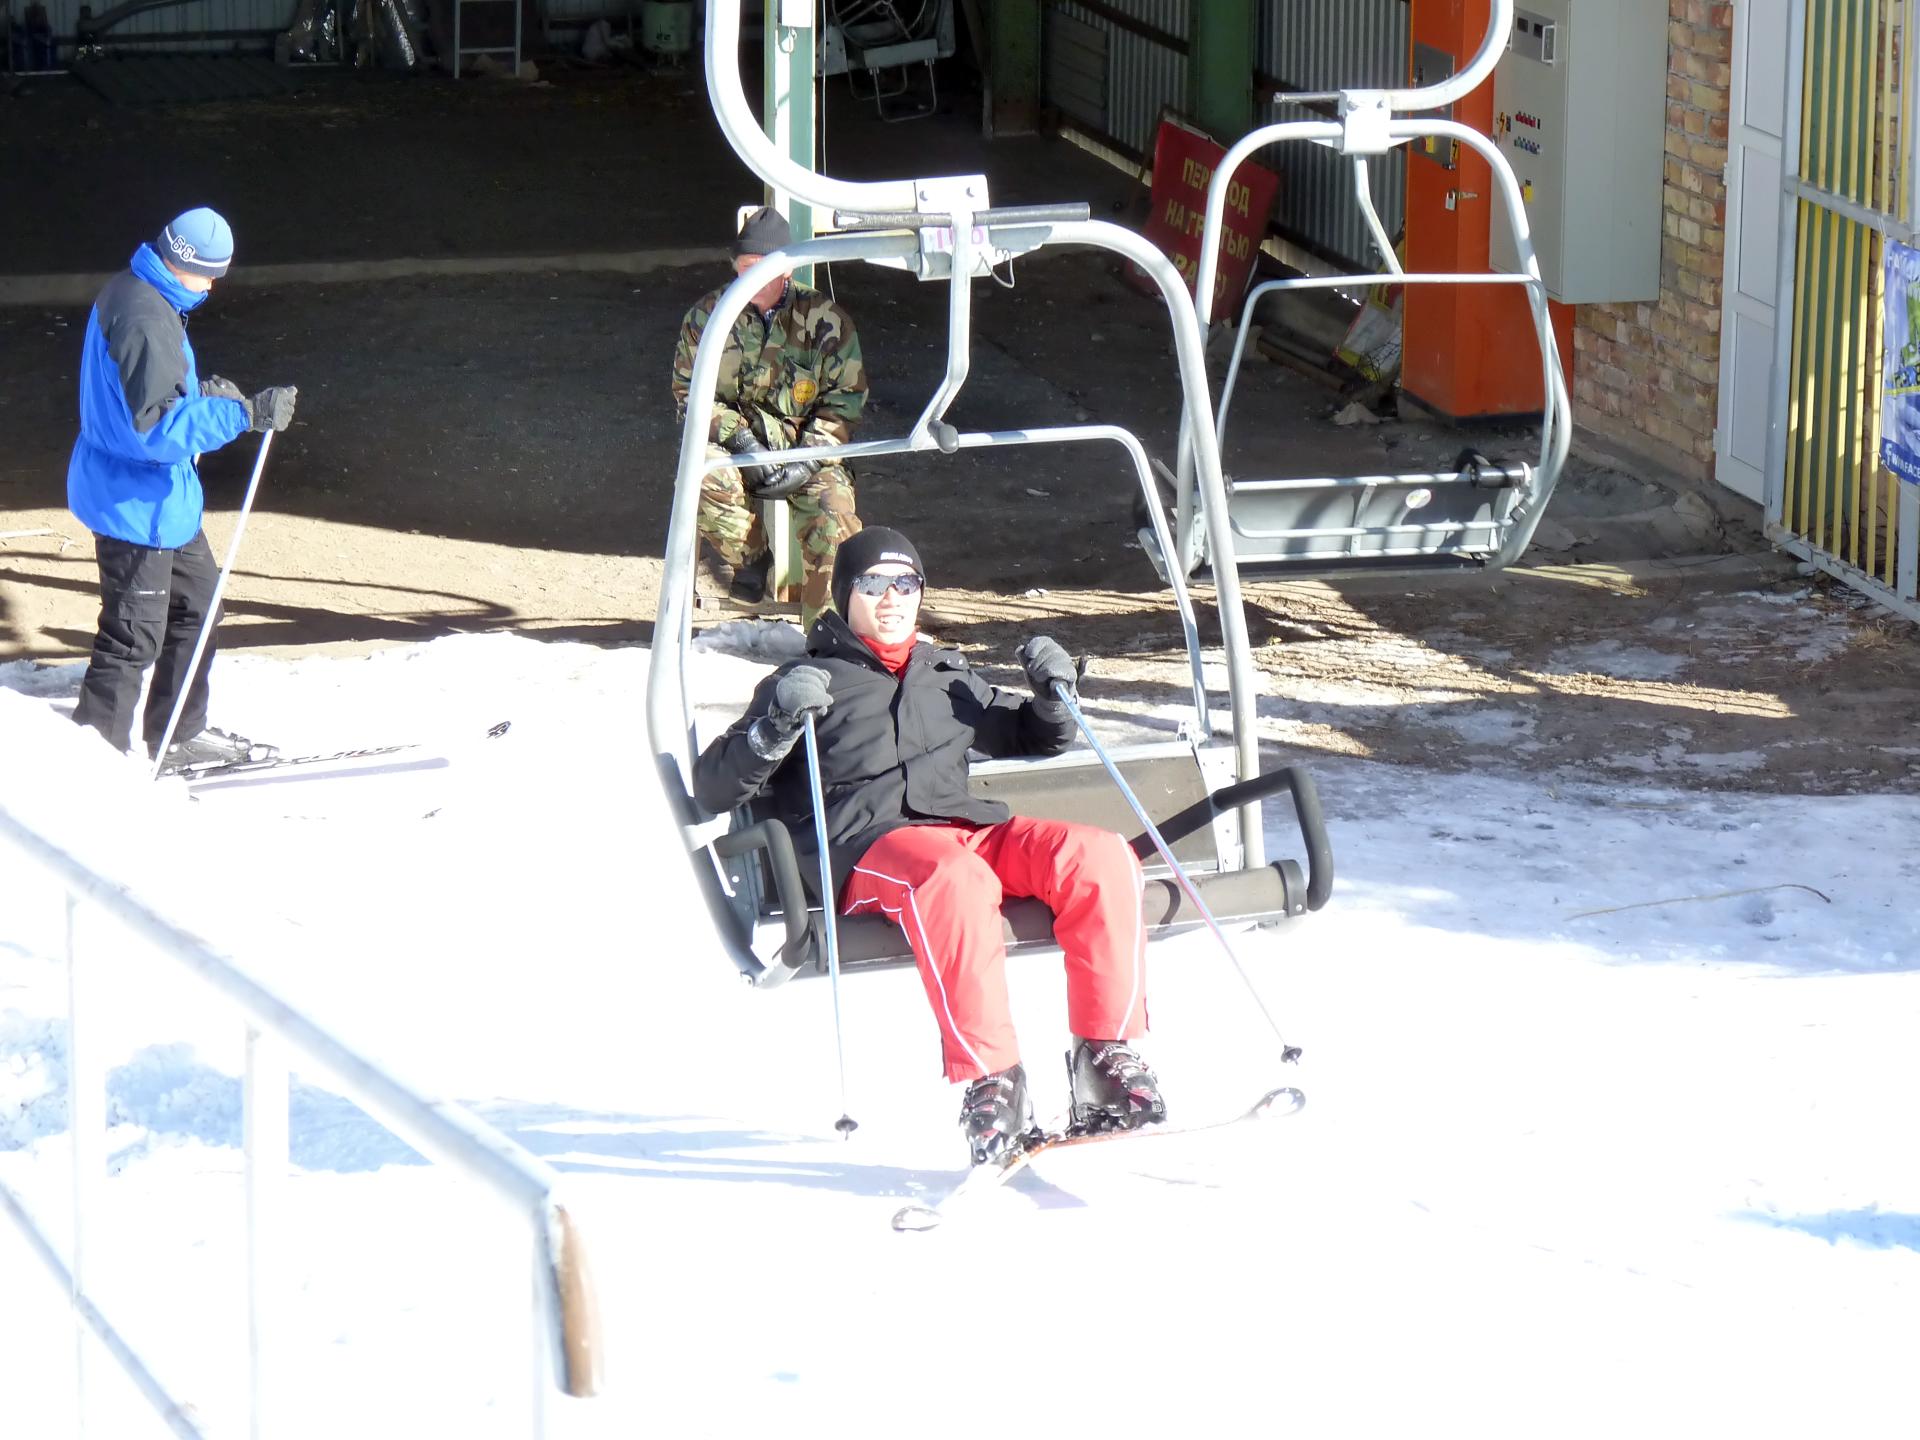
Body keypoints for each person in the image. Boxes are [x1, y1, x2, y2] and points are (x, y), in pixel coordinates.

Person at [692, 526, 1166, 1164]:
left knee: (1101, 857)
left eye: (905, 583)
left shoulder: (943, 672)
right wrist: (774, 726)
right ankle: (994, 1080)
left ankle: (1104, 1056)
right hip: (872, 848)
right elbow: (713, 787)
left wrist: (1054, 699)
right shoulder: (807, 680)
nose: (892, 597)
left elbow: (1031, 736)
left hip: (966, 832)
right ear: (845, 592)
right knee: (951, 877)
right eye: (873, 583)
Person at [67, 207, 298, 773]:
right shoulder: (146, 317)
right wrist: (242, 415)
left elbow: (145, 395)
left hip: (164, 499)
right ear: (183, 260)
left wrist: (203, 396)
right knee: (132, 638)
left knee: (199, 605)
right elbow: (158, 431)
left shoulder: (138, 289)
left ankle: (177, 733)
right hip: (134, 505)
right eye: (209, 274)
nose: (213, 286)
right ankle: (90, 765)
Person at [671, 205, 865, 627]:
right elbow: (689, 395)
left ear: (786, 270)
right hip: (736, 447)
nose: (754, 278)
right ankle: (751, 557)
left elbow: (846, 401)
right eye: (746, 268)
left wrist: (808, 459)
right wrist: (740, 439)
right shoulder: (707, 318)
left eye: (765, 268)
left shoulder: (826, 321)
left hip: (807, 452)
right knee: (702, 473)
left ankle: (828, 634)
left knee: (834, 515)